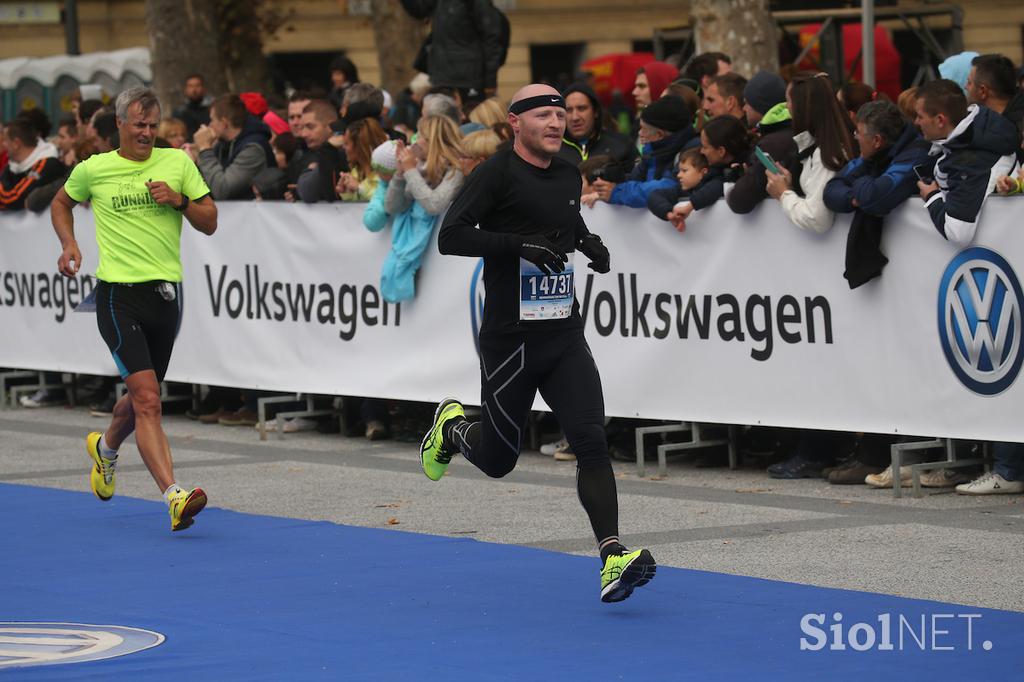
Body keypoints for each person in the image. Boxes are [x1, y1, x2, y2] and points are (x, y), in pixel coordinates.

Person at [425, 84, 657, 603]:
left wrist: (586, 240)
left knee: (591, 439)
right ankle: (455, 426)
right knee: (498, 460)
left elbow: (563, 217)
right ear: (515, 123)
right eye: (545, 116)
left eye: (560, 115)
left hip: (562, 334)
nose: (557, 123)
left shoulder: (568, 173)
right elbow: (453, 237)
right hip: (510, 340)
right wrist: (518, 246)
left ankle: (612, 556)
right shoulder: (495, 173)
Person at [49, 87, 217, 532]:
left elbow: (211, 220)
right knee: (148, 401)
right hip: (117, 295)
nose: (146, 132)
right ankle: (173, 496)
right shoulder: (95, 169)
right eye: (138, 124)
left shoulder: (178, 163)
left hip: (167, 296)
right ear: (119, 124)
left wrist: (179, 201)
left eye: (152, 125)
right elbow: (61, 202)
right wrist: (69, 243)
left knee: (142, 399)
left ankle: (105, 449)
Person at [823, 100, 931, 288]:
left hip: (917, 271)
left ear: (877, 141)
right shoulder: (873, 155)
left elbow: (874, 198)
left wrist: (861, 184)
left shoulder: (915, 154)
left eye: (858, 133)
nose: (855, 138)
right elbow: (831, 190)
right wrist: (854, 199)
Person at [913, 79, 1018, 245]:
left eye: (920, 116)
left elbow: (958, 232)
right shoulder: (985, 125)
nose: (916, 122)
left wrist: (932, 196)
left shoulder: (968, 163)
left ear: (940, 120)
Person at [381, 115, 464, 302]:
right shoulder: (419, 166)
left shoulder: (455, 169)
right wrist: (401, 174)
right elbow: (393, 206)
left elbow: (434, 205)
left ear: (435, 141)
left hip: (446, 263)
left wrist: (410, 170)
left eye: (421, 137)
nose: (416, 142)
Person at [765, 72, 855, 233]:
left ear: (803, 107)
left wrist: (783, 194)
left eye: (789, 101)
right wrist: (789, 185)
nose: (787, 106)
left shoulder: (828, 153)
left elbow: (817, 219)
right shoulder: (825, 145)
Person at [593, 94, 697, 208]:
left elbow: (669, 186)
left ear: (659, 135)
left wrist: (617, 192)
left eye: (643, 129)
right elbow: (634, 179)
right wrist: (611, 182)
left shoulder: (693, 150)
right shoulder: (651, 152)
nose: (639, 133)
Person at [727, 70, 797, 214]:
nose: (744, 108)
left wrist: (738, 183)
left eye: (747, 103)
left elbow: (739, 200)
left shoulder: (772, 143)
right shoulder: (786, 131)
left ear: (761, 105)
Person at [193, 94, 275, 200]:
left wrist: (205, 149)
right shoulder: (223, 144)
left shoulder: (253, 149)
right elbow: (207, 185)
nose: (210, 125)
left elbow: (222, 190)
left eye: (212, 120)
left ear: (224, 123)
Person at [556, 82, 637, 171]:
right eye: (568, 110)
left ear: (596, 112)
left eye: (581, 108)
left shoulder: (622, 144)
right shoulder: (552, 149)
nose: (575, 117)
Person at [1, 118, 64, 211]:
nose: (3, 144)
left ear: (16, 143)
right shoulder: (12, 166)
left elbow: (14, 199)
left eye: (5, 140)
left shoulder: (47, 164)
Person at [335, 117, 388, 201]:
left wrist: (359, 188)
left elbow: (385, 201)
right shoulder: (355, 173)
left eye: (346, 143)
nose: (343, 147)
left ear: (359, 146)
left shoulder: (386, 172)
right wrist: (345, 193)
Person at [172, 73, 212, 141]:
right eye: (190, 86)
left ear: (203, 88)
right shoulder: (179, 113)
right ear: (185, 89)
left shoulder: (211, 111)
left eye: (197, 85)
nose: (194, 90)